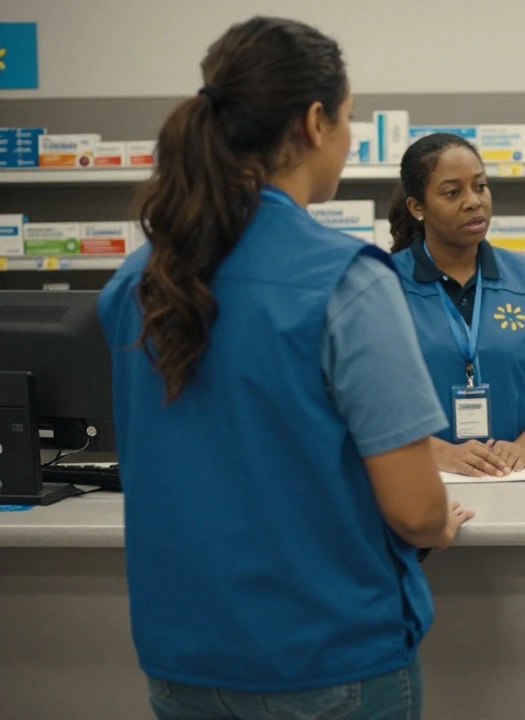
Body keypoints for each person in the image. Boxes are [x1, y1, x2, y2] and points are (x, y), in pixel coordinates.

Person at [98, 17, 473, 719]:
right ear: (312, 123)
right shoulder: (346, 282)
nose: (349, 139)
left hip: (183, 661)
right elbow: (418, 511)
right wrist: (437, 524)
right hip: (328, 661)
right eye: (348, 120)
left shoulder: (138, 282)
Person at [387, 133, 525, 477]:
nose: (473, 201)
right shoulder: (381, 285)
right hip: (421, 484)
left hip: (520, 482)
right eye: (453, 192)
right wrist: (437, 453)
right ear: (417, 207)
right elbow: (361, 405)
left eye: (480, 186)